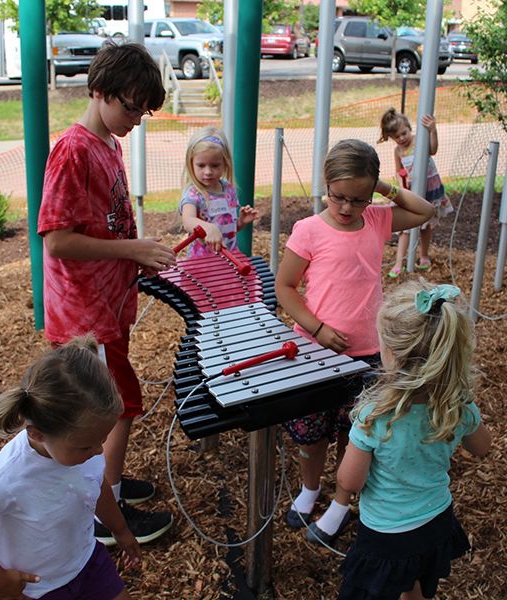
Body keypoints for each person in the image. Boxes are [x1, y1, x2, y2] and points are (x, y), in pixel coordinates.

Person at [37, 42, 176, 546]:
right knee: (114, 407)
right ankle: (104, 510)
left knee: (116, 402)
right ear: (99, 91)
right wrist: (132, 249)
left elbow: (108, 223)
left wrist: (137, 255)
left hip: (106, 306)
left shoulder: (108, 144)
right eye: (131, 105)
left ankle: (109, 486)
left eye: (143, 108)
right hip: (83, 315)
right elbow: (56, 240)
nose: (137, 117)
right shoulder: (73, 150)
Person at [275, 139, 435, 545]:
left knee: (357, 437)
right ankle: (311, 490)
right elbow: (285, 287)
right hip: (314, 354)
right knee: (311, 435)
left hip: (370, 356)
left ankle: (341, 504)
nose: (347, 208)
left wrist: (383, 189)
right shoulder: (308, 229)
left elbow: (425, 210)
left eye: (358, 199)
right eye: (338, 197)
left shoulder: (379, 220)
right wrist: (316, 329)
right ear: (325, 185)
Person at [0, 335, 143, 600]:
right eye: (88, 446)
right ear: (37, 434)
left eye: (102, 440)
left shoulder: (83, 448)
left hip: (87, 563)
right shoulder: (5, 477)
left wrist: (120, 530)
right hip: (33, 590)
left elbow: (94, 484)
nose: (99, 451)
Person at [336, 281, 491, 600]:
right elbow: (482, 447)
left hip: (387, 534)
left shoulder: (374, 416)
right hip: (436, 522)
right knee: (413, 581)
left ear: (390, 354)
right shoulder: (457, 403)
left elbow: (350, 482)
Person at [379, 108, 453, 277]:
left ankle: (424, 256)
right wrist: (401, 186)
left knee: (425, 226)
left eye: (404, 133)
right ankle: (399, 263)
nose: (402, 138)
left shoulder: (419, 141)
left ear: (409, 127)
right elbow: (399, 171)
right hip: (412, 190)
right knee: (405, 228)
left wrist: (433, 130)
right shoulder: (398, 151)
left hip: (429, 189)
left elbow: (432, 150)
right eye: (397, 137)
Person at [180, 126, 258, 257]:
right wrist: (208, 228)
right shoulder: (194, 194)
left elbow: (227, 230)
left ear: (225, 163)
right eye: (201, 165)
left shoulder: (229, 190)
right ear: (191, 163)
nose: (208, 172)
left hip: (229, 259)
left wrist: (240, 222)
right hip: (202, 262)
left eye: (215, 165)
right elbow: (188, 220)